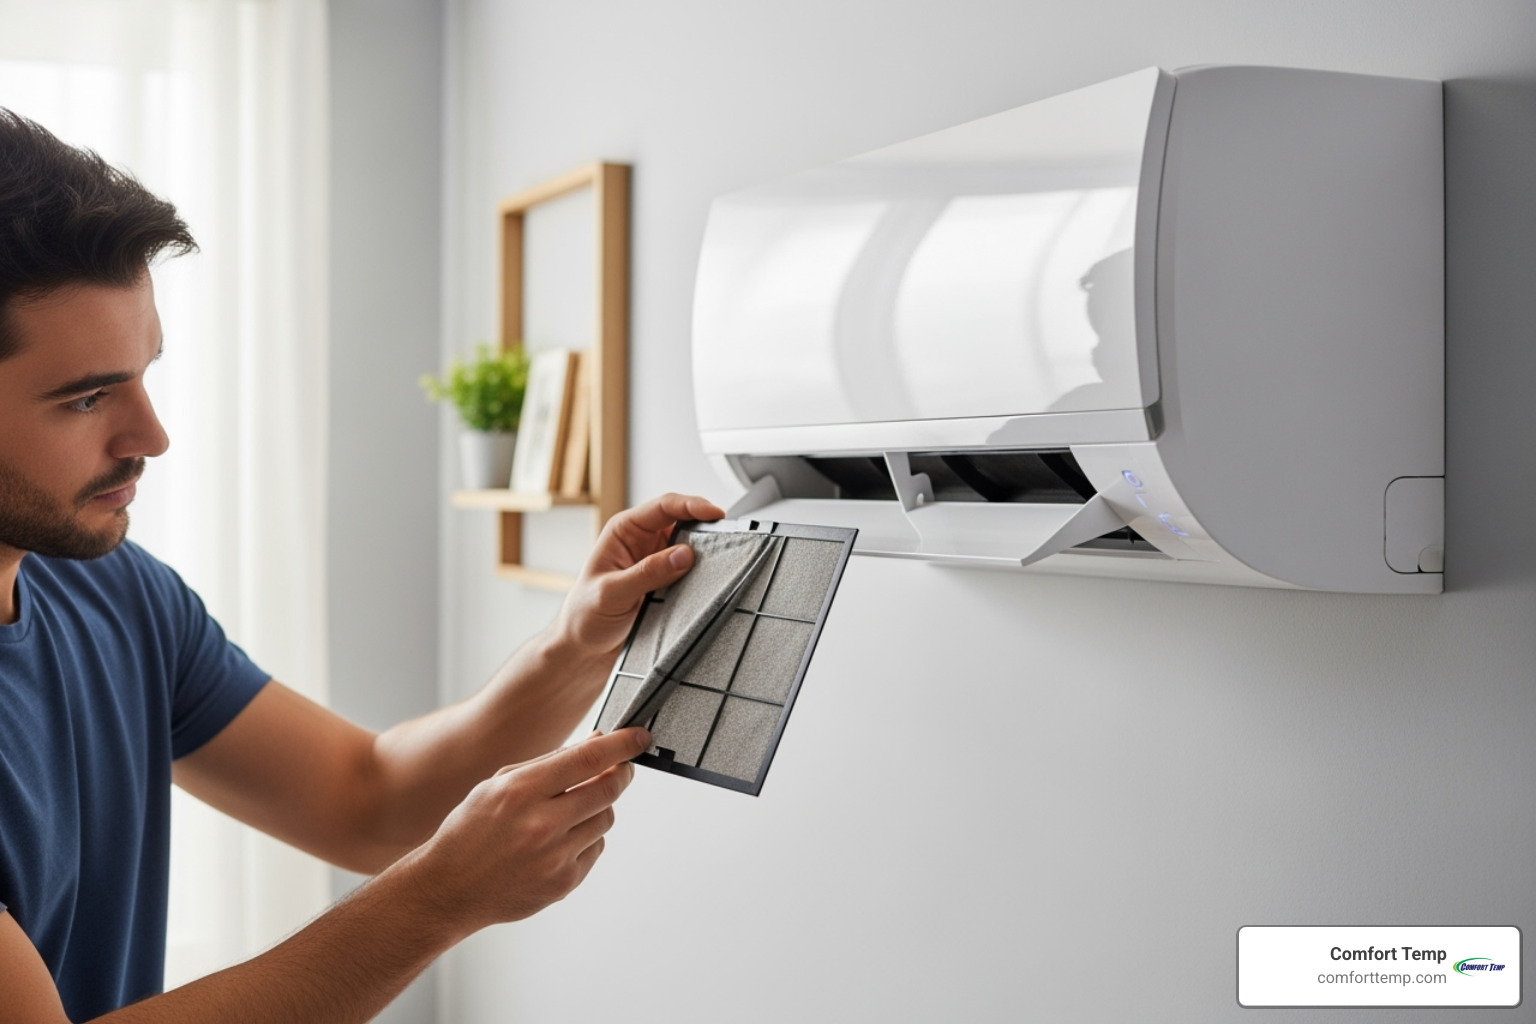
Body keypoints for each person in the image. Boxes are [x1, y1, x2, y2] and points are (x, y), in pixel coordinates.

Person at [0, 107, 724, 1023]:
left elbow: (368, 801)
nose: (152, 436)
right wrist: (439, 899)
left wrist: (580, 641)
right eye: (89, 398)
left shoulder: (111, 589)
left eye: (145, 374)